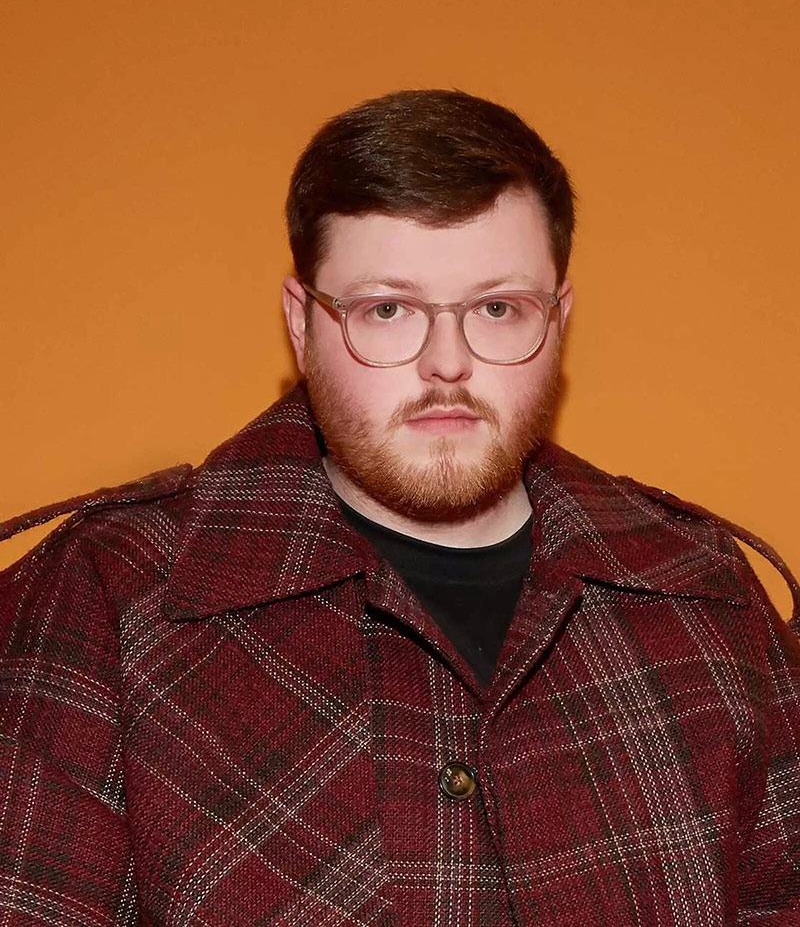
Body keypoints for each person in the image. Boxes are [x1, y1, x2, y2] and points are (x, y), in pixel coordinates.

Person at [1, 89, 797, 927]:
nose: (446, 362)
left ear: (558, 322)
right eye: (387, 310)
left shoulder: (706, 594)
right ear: (302, 325)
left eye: (498, 308)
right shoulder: (108, 597)